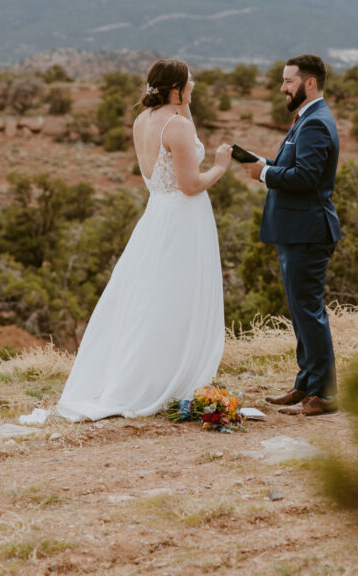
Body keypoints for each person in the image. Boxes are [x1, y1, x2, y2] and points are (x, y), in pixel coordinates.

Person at [56, 58, 232, 421]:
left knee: (153, 297)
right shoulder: (177, 126)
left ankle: (156, 371)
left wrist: (186, 105)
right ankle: (163, 378)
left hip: (157, 215)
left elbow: (179, 151)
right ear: (175, 88)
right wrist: (220, 165)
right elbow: (191, 184)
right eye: (189, 80)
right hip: (183, 219)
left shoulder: (144, 121)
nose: (194, 83)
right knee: (176, 297)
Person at [242, 54, 341, 417]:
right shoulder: (308, 118)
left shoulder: (315, 122)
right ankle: (306, 384)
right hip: (296, 232)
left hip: (309, 233)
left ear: (309, 83)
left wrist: (264, 176)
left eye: (288, 81)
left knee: (309, 312)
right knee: (300, 312)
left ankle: (326, 395)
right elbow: (295, 167)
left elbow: (306, 178)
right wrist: (265, 164)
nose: (282, 87)